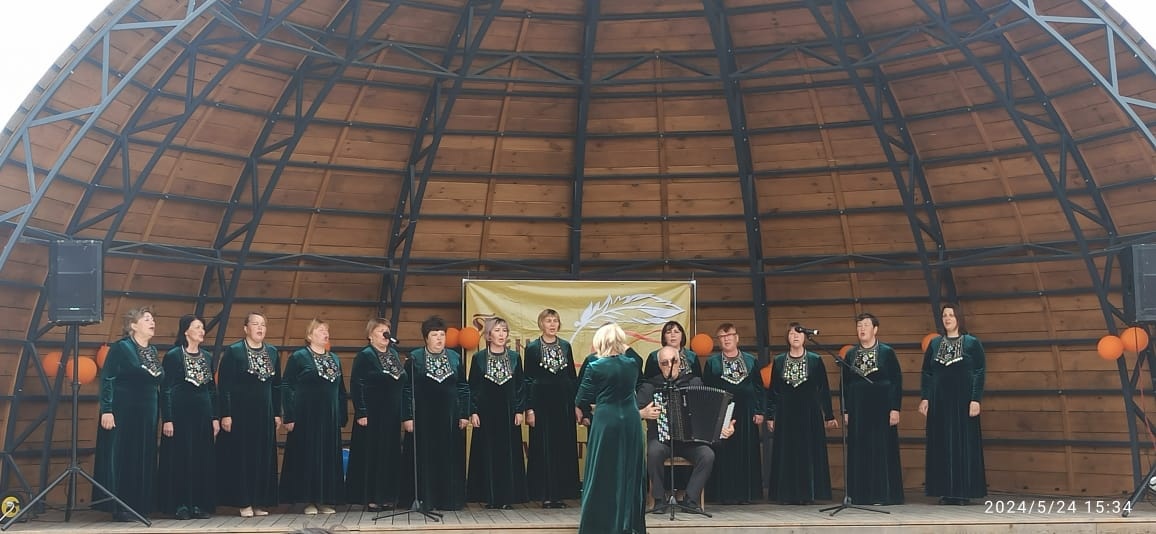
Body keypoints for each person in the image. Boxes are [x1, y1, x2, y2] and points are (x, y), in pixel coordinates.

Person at [637, 346, 735, 514]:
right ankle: (659, 499)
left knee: (707, 455)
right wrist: (643, 413)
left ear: (680, 362)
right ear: (659, 366)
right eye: (665, 363)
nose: (670, 366)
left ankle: (690, 499)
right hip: (662, 440)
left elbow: (710, 413)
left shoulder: (693, 383)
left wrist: (724, 429)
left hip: (690, 441)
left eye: (673, 361)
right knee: (653, 453)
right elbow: (631, 412)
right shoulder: (650, 387)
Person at [574, 323, 646, 534]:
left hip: (607, 420)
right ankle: (628, 524)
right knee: (629, 469)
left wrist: (591, 406)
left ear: (600, 341)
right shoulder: (632, 364)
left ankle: (601, 523)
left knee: (603, 470)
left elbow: (582, 398)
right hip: (630, 420)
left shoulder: (595, 365)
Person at [92, 306, 163, 521]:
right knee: (124, 454)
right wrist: (107, 410)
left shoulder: (152, 350)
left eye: (152, 319)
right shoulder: (122, 347)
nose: (152, 322)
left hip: (148, 411)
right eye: (146, 319)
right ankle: (120, 506)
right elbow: (108, 379)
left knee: (144, 454)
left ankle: (141, 503)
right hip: (124, 409)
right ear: (133, 325)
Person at [399, 315, 470, 511]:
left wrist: (464, 414)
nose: (439, 338)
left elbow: (463, 387)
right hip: (423, 418)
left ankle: (449, 499)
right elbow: (406, 389)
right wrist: (407, 416)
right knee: (424, 457)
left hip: (449, 417)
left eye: (442, 334)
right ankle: (425, 499)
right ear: (426, 338)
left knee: (448, 457)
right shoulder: (415, 358)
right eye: (434, 335)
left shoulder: (455, 357)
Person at [215, 311, 281, 518]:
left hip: (265, 414)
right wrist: (226, 413)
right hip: (241, 414)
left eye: (263, 324)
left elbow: (276, 385)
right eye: (255, 324)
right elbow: (224, 385)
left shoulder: (272, 352)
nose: (260, 328)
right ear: (245, 328)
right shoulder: (234, 351)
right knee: (243, 458)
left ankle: (259, 501)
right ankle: (243, 501)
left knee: (262, 457)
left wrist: (277, 413)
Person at [919, 303, 987, 505]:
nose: (947, 318)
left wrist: (975, 399)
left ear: (958, 318)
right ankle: (945, 491)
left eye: (951, 315)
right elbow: (927, 372)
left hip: (963, 401)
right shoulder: (934, 344)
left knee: (962, 444)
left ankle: (962, 492)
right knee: (941, 444)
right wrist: (925, 397)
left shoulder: (972, 343)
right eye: (944, 315)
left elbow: (979, 372)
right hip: (939, 401)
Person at [279, 319, 348, 514]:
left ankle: (324, 499)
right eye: (320, 330)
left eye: (327, 330)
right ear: (309, 336)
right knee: (309, 456)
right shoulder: (299, 357)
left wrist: (341, 414)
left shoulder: (334, 359)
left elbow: (341, 390)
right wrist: (289, 416)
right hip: (306, 417)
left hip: (329, 418)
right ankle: (308, 500)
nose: (325, 333)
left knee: (327, 457)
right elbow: (287, 385)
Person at [765, 323, 837, 504]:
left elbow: (823, 389)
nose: (795, 336)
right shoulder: (779, 360)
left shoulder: (815, 360)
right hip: (786, 413)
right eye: (791, 333)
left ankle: (808, 494)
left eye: (798, 333)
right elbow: (773, 390)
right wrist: (771, 415)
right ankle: (786, 494)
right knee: (787, 452)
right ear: (787, 337)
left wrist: (829, 415)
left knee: (808, 451)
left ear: (805, 337)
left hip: (809, 413)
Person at [156, 314, 219, 519]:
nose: (202, 331)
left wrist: (214, 417)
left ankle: (198, 504)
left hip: (203, 415)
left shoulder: (207, 356)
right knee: (181, 458)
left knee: (201, 458)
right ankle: (180, 504)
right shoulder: (174, 355)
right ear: (186, 331)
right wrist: (167, 418)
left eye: (202, 327)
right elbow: (166, 389)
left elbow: (211, 389)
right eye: (197, 327)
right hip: (180, 415)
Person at [466, 317, 529, 509]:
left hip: (508, 412)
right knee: (487, 452)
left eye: (504, 331)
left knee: (507, 454)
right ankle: (489, 496)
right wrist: (473, 411)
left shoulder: (515, 357)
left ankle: (507, 497)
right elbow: (472, 387)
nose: (501, 334)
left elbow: (520, 386)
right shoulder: (479, 358)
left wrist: (519, 410)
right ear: (489, 334)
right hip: (486, 413)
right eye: (497, 330)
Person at [844, 312, 904, 505]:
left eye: (866, 325)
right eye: (859, 325)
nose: (862, 329)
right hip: (858, 409)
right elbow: (844, 384)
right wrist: (846, 411)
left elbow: (896, 381)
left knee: (881, 449)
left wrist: (895, 408)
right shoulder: (851, 354)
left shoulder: (887, 352)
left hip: (881, 408)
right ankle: (860, 494)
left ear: (875, 329)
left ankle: (882, 494)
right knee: (859, 449)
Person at [345, 317, 405, 511]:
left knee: (388, 453)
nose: (385, 334)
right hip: (372, 413)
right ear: (370, 335)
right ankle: (371, 496)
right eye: (380, 330)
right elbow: (357, 384)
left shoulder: (393, 354)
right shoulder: (365, 355)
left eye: (387, 330)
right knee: (373, 453)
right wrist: (361, 411)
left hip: (391, 414)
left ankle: (387, 495)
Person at [523, 309, 580, 508]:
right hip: (541, 404)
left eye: (555, 320)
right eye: (548, 320)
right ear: (541, 324)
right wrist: (529, 409)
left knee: (562, 447)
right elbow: (527, 379)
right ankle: (544, 493)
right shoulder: (532, 348)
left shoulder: (565, 346)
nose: (552, 324)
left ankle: (561, 494)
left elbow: (572, 377)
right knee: (543, 447)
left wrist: (576, 405)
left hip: (563, 403)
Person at [702, 323, 764, 504]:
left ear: (737, 338)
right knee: (724, 453)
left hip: (747, 412)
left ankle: (747, 494)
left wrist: (760, 410)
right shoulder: (712, 363)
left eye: (729, 335)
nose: (726, 339)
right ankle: (724, 494)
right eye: (722, 336)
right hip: (722, 413)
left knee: (747, 452)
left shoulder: (751, 360)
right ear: (718, 341)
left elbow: (759, 387)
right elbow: (707, 390)